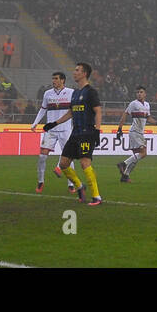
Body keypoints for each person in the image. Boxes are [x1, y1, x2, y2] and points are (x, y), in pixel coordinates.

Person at [43, 62, 103, 206]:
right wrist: (55, 123)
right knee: (63, 164)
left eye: (77, 70)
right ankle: (80, 186)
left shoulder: (91, 92)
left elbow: (98, 111)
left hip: (87, 132)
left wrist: (97, 131)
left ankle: (96, 197)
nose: (74, 72)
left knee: (84, 162)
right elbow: (71, 112)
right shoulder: (75, 93)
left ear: (84, 74)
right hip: (75, 133)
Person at [30, 71, 74, 193]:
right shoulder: (47, 94)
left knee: (68, 156)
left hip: (65, 130)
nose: (53, 81)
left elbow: (74, 111)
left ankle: (71, 183)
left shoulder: (71, 93)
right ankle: (40, 182)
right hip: (50, 130)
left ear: (62, 80)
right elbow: (43, 109)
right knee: (42, 156)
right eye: (53, 78)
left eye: (56, 78)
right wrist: (35, 122)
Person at [117, 86, 157, 182]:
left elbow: (148, 118)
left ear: (145, 94)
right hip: (135, 132)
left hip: (139, 133)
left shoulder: (147, 105)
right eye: (137, 92)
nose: (139, 94)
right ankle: (123, 163)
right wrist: (119, 129)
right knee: (143, 153)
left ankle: (125, 176)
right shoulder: (133, 104)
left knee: (136, 157)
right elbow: (124, 115)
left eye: (141, 92)